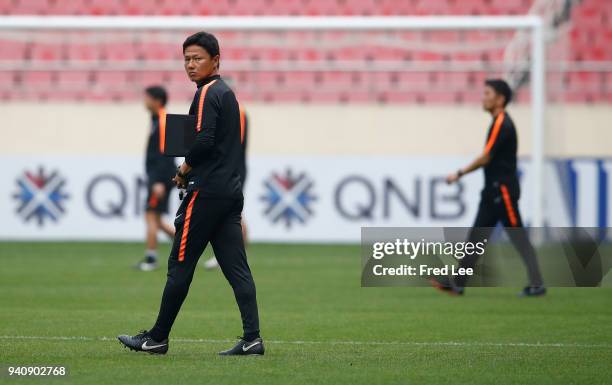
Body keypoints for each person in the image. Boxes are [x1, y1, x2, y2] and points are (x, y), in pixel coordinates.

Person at [118, 31, 263, 355]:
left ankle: (157, 338)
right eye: (186, 59)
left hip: (206, 194)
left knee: (180, 265)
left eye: (197, 58)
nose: (191, 64)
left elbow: (204, 140)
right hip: (229, 192)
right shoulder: (225, 94)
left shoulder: (208, 93)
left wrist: (184, 170)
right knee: (237, 268)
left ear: (216, 60)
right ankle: (252, 338)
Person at [432, 79, 546, 297]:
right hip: (492, 192)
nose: (483, 98)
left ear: (500, 99)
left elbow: (485, 157)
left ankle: (537, 283)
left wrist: (459, 173)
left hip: (502, 191)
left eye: (487, 93)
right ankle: (457, 283)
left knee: (518, 237)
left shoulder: (502, 122)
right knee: (475, 238)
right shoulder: (497, 122)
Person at [203, 102, 248, 270]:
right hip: (230, 167)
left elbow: (235, 139)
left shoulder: (238, 111)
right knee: (233, 211)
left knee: (232, 211)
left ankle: (237, 254)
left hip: (233, 167)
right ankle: (236, 254)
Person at [135, 86, 176, 272]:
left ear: (157, 100)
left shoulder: (163, 121)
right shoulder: (157, 120)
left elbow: (165, 153)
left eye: (147, 98)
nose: (144, 101)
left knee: (150, 216)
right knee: (157, 220)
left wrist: (159, 181)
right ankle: (188, 245)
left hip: (160, 178)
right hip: (159, 176)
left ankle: (151, 259)